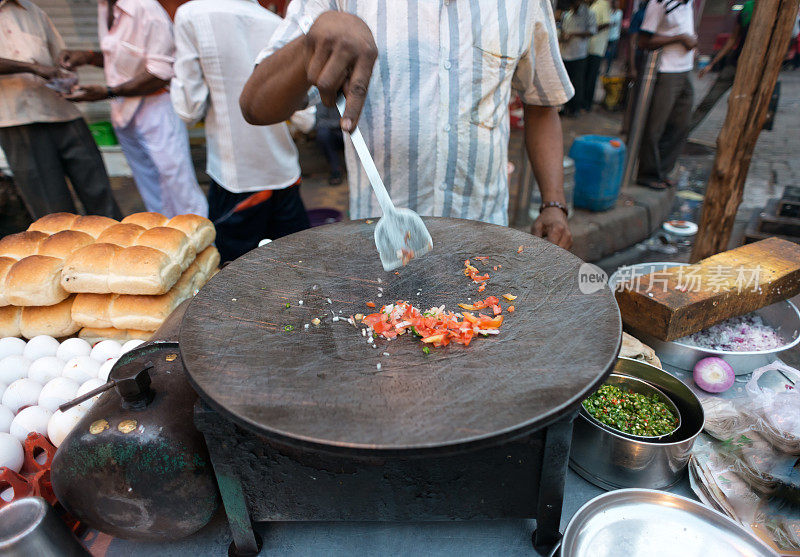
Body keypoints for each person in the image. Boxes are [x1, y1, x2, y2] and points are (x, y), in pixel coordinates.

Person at [240, 2, 575, 249]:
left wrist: (554, 204)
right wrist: (311, 41)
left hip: (485, 243)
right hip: (381, 245)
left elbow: (542, 103)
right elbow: (256, 105)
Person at [170, 0, 310, 263]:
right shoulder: (278, 25)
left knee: (236, 279)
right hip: (284, 172)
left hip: (237, 178)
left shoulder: (191, 15)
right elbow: (306, 118)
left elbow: (188, 110)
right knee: (296, 270)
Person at [59, 0, 207, 218]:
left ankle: (203, 241)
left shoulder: (146, 9)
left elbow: (160, 73)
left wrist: (108, 92)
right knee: (149, 185)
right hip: (123, 112)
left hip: (156, 108)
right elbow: (121, 58)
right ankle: (163, 238)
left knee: (178, 185)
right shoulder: (104, 6)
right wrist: (89, 56)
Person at [0, 0, 121, 220]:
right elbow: (36, 66)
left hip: (64, 113)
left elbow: (60, 57)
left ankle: (119, 249)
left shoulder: (32, 10)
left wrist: (67, 70)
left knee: (100, 195)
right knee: (53, 211)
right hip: (17, 121)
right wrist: (31, 67)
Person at [636, 0, 696, 190]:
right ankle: (648, 174)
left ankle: (662, 170)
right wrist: (679, 38)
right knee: (655, 126)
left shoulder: (688, 3)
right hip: (666, 71)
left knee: (681, 125)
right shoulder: (659, 3)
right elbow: (644, 41)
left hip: (685, 69)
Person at [688, 0, 752, 132]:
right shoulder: (747, 7)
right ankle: (681, 136)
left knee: (744, 108)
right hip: (735, 64)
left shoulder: (778, 11)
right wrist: (712, 64)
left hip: (755, 70)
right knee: (708, 101)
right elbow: (733, 39)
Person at [560, 0, 597, 118]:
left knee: (577, 82)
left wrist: (573, 34)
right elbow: (563, 31)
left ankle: (574, 108)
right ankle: (564, 107)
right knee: (565, 81)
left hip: (579, 54)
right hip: (565, 53)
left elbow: (592, 31)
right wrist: (564, 36)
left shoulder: (589, 13)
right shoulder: (567, 15)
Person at [585, 0, 612, 109]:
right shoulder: (593, 5)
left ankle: (587, 104)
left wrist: (591, 30)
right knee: (587, 76)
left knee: (591, 77)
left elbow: (606, 23)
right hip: (587, 47)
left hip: (596, 48)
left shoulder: (603, 4)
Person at [315, 104, 344, 185]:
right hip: (336, 133)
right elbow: (320, 122)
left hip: (353, 133)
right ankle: (336, 170)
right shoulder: (325, 98)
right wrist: (340, 123)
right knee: (322, 134)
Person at [604, 0, 623, 75]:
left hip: (615, 36)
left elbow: (618, 24)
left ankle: (607, 70)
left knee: (611, 55)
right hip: (607, 36)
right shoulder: (609, 12)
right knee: (605, 53)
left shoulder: (619, 13)